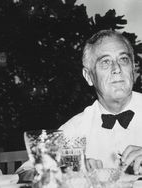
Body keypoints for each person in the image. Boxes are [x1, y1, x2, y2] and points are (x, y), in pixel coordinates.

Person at [17, 29, 142, 181]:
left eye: (123, 59)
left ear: (134, 69)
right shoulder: (76, 128)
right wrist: (67, 169)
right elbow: (23, 173)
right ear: (88, 76)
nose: (117, 69)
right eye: (105, 62)